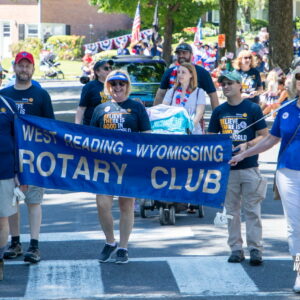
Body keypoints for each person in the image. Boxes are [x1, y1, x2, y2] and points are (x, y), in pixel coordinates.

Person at [229, 67, 300, 294]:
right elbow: (270, 139)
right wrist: (243, 154)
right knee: (295, 227)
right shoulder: (286, 110)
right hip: (288, 173)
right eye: (299, 78)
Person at [208, 70, 268, 266]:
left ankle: (255, 249)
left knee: (252, 210)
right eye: (223, 83)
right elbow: (211, 138)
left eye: (229, 83)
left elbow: (265, 136)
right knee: (231, 211)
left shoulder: (252, 108)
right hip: (227, 170)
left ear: (239, 85)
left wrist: (248, 144)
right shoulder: (219, 111)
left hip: (250, 167)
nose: (225, 86)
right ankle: (235, 248)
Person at [90, 70, 151, 263]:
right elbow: (91, 138)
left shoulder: (136, 107)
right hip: (105, 167)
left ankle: (123, 247)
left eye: (121, 84)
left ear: (127, 86)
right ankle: (110, 242)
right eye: (114, 84)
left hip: (130, 166)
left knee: (126, 206)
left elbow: (147, 134)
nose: (117, 87)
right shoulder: (100, 109)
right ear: (108, 86)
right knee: (102, 205)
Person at [0, 51, 55, 264]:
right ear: (14, 67)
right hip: (11, 159)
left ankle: (34, 245)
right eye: (20, 65)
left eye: (27, 65)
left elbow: (51, 127)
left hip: (35, 158)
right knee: (11, 202)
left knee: (33, 200)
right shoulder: (5, 94)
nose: (24, 69)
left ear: (33, 68)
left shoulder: (41, 95)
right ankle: (15, 242)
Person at [154, 42, 219, 109]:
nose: (181, 55)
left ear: (191, 55)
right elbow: (161, 94)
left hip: (195, 116)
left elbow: (212, 95)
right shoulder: (169, 72)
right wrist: (155, 114)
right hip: (173, 116)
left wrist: (217, 116)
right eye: (179, 53)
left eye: (184, 53)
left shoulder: (202, 73)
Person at [0, 94, 19, 280]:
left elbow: (19, 138)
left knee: (2, 220)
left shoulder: (8, 103)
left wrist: (18, 171)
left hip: (4, 170)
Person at [162, 62, 205, 134]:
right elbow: (164, 109)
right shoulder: (172, 91)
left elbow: (199, 113)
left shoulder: (199, 92)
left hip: (193, 133)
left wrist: (189, 128)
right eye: (178, 72)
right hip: (174, 132)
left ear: (191, 75)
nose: (180, 75)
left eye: (183, 72)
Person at [75, 59, 113, 125]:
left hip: (111, 126)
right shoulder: (90, 86)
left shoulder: (117, 85)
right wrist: (76, 126)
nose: (109, 70)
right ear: (97, 72)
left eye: (110, 68)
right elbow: (81, 108)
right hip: (92, 127)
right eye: (106, 68)